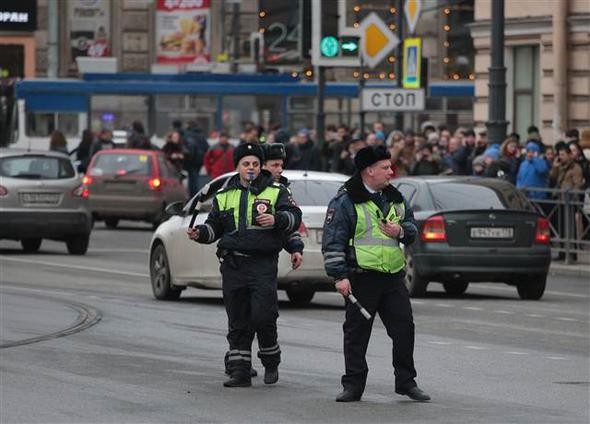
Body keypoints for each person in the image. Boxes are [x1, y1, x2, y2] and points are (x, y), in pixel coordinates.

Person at [187, 143, 302, 388]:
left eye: (255, 164)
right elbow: (215, 227)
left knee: (263, 316)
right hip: (233, 264)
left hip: (262, 264)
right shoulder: (225, 195)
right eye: (246, 164)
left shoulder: (276, 190)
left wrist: (277, 219)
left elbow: (294, 217)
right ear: (237, 167)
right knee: (237, 319)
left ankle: (271, 360)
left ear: (261, 167)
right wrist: (201, 233)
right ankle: (239, 370)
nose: (251, 168)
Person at [321, 144, 430, 403]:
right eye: (385, 167)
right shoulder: (345, 200)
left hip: (393, 277)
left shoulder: (394, 197)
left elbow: (412, 228)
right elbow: (333, 241)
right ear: (369, 171)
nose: (391, 171)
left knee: (404, 330)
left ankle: (406, 382)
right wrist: (339, 276)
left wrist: (400, 232)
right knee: (357, 334)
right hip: (361, 278)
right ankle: (353, 385)